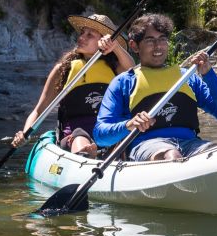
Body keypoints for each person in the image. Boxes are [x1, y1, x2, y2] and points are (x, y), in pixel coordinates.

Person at [93, 13, 217, 161]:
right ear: (134, 46)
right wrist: (129, 124)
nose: (158, 46)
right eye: (150, 40)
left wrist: (208, 74)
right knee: (172, 155)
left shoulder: (188, 77)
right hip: (148, 145)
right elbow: (100, 136)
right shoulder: (123, 82)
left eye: (163, 39)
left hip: (191, 144)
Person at [12, 14, 135, 156]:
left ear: (103, 40)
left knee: (118, 136)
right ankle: (86, 153)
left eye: (90, 35)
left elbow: (132, 70)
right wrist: (25, 133)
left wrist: (115, 47)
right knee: (80, 136)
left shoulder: (115, 68)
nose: (81, 37)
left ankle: (100, 151)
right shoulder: (63, 69)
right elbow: (39, 111)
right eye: (82, 32)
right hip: (75, 132)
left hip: (107, 130)